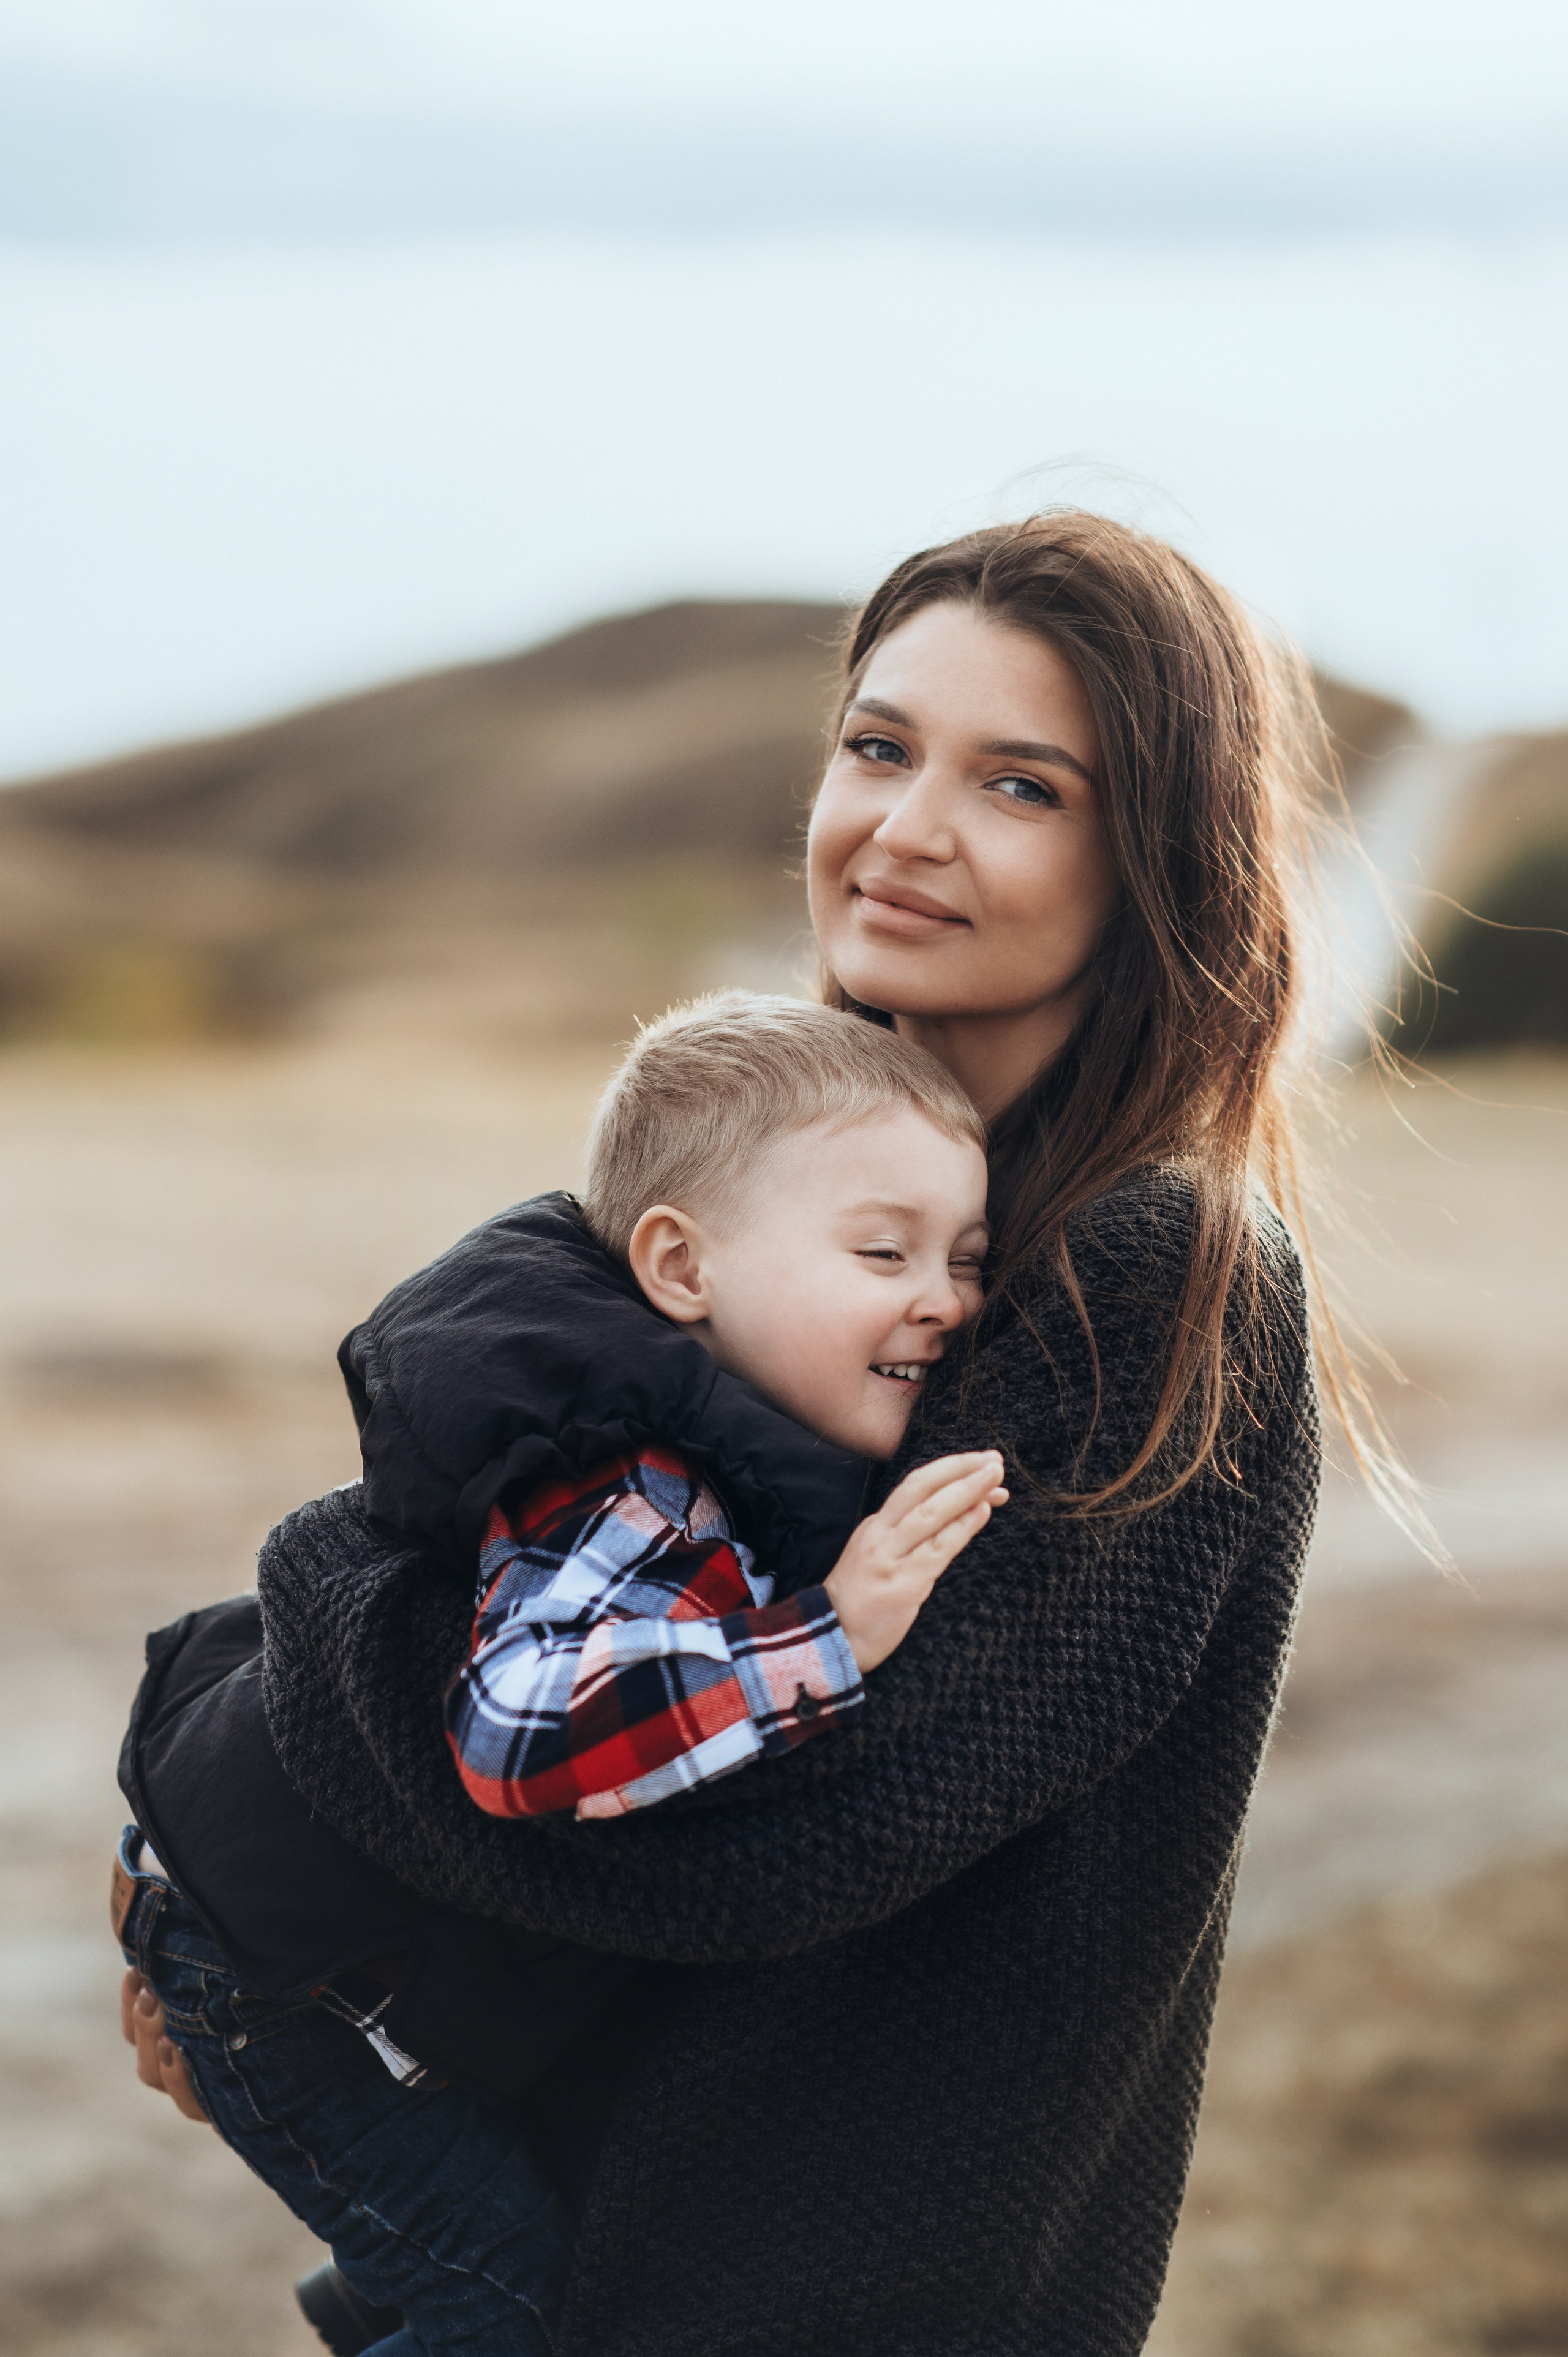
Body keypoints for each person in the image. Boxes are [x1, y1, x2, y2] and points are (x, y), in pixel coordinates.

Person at [124, 508, 1369, 2357]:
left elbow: (765, 1842)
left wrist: (309, 1600)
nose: (907, 828)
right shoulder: (796, 1193)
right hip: (611, 2242)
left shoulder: (1146, 1263)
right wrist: (262, 1939)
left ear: (1156, 859)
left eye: (1021, 786)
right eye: (879, 747)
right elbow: (561, 1587)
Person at [115, 996, 1009, 2357]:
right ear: (679, 1267)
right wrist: (826, 1635)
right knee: (513, 2316)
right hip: (277, 1981)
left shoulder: (720, 1438)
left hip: (311, 1945)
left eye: (966, 1258)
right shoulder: (634, 1486)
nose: (942, 1298)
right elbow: (520, 1731)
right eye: (882, 1250)